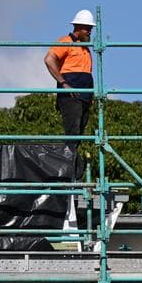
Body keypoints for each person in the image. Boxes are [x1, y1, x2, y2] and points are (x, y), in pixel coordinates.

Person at [44, 9, 96, 168]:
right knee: (72, 133)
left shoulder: (85, 48)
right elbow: (49, 60)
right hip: (71, 97)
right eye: (86, 28)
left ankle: (69, 163)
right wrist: (63, 83)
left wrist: (91, 96)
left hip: (84, 97)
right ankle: (66, 167)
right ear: (77, 27)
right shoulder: (65, 41)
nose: (89, 31)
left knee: (78, 134)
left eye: (90, 28)